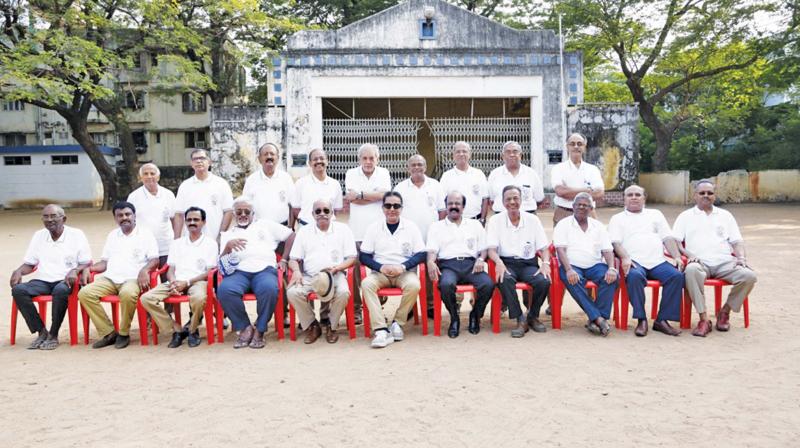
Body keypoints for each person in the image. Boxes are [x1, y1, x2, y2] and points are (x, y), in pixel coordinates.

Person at [672, 179, 757, 337]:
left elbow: (737, 241)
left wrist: (741, 258)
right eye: (702, 193)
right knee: (690, 271)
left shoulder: (725, 215)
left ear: (714, 196)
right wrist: (689, 255)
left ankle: (724, 312)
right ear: (695, 196)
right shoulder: (685, 216)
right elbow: (675, 242)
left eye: (710, 193)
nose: (706, 196)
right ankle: (704, 319)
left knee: (749, 276)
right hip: (700, 263)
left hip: (725, 263)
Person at [78, 201, 159, 349]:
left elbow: (155, 259)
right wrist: (89, 269)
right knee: (84, 293)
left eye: (128, 214)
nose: (124, 218)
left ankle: (123, 333)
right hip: (110, 278)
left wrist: (144, 270)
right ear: (115, 218)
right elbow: (104, 262)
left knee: (128, 294)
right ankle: (109, 332)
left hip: (133, 279)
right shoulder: (112, 235)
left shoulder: (145, 234)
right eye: (120, 215)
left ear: (134, 216)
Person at [216, 197, 295, 349]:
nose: (243, 214)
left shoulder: (265, 225)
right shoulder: (228, 234)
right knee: (225, 290)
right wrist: (227, 247)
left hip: (264, 270)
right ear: (234, 214)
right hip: (238, 273)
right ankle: (245, 327)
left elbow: (291, 235)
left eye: (247, 212)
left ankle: (260, 329)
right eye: (239, 212)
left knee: (270, 289)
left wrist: (284, 259)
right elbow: (221, 263)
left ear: (253, 213)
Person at [10, 204, 92, 350]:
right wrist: (18, 271)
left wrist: (75, 269)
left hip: (66, 281)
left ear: (64, 218)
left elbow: (86, 262)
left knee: (60, 291)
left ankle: (53, 334)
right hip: (43, 280)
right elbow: (30, 263)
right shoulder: (39, 235)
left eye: (53, 216)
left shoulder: (76, 234)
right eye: (46, 217)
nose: (49, 220)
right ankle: (41, 332)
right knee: (19, 290)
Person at [607, 185, 683, 337]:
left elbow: (667, 238)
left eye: (637, 194)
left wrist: (676, 256)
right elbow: (615, 243)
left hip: (657, 262)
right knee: (634, 276)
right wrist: (625, 257)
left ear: (644, 198)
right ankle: (641, 319)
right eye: (630, 195)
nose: (634, 197)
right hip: (634, 262)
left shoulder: (656, 214)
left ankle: (662, 320)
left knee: (677, 276)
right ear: (624, 199)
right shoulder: (617, 219)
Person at [140, 207, 218, 348]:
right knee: (146, 298)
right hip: (176, 281)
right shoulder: (177, 243)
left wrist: (187, 282)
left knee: (199, 298)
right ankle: (177, 329)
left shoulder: (210, 244)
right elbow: (170, 269)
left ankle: (193, 331)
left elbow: (209, 272)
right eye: (189, 220)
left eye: (196, 219)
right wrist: (173, 281)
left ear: (204, 222)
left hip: (198, 281)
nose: (192, 222)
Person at [360, 192, 426, 348]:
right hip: (380, 273)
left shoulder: (411, 227)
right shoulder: (374, 228)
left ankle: (398, 323)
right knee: (367, 284)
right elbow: (363, 256)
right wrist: (380, 267)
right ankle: (381, 329)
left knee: (414, 285)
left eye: (396, 206)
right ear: (382, 208)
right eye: (388, 205)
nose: (392, 209)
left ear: (401, 208)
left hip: (404, 272)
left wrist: (402, 266)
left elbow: (422, 253)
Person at [287, 199, 357, 344]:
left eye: (326, 210)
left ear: (332, 213)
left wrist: (339, 268)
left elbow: (352, 257)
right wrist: (296, 271)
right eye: (318, 211)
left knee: (344, 292)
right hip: (310, 276)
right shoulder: (304, 231)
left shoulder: (344, 230)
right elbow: (293, 258)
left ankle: (332, 325)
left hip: (335, 275)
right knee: (292, 292)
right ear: (313, 214)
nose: (322, 214)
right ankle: (313, 325)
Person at [426, 191, 494, 338]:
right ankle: (454, 317)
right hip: (449, 265)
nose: (454, 206)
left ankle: (475, 315)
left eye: (457, 204)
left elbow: (484, 249)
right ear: (446, 206)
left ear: (463, 207)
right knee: (445, 285)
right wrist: (430, 261)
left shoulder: (475, 225)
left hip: (471, 265)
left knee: (488, 284)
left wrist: (481, 259)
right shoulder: (436, 227)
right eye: (450, 204)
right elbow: (432, 251)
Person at [486, 186, 551, 338]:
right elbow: (491, 250)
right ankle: (520, 318)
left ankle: (532, 316)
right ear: (503, 202)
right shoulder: (495, 220)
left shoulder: (533, 220)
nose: (512, 202)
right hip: (507, 263)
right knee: (505, 279)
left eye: (516, 198)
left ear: (521, 200)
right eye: (508, 199)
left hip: (528, 263)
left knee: (543, 281)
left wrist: (546, 264)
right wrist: (499, 262)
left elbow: (544, 248)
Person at [553, 193, 618, 336]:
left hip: (594, 265)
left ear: (591, 208)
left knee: (612, 277)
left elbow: (607, 250)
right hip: (571, 265)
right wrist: (569, 269)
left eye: (585, 205)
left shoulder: (598, 226)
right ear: (573, 206)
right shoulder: (563, 224)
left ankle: (596, 319)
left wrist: (612, 268)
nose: (581, 207)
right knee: (573, 279)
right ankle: (600, 319)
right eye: (578, 204)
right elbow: (560, 250)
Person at [393, 154, 445, 319]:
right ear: (408, 168)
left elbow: (442, 211)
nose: (417, 167)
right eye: (413, 165)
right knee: (408, 272)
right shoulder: (400, 188)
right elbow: (395, 213)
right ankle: (410, 307)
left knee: (430, 271)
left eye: (420, 164)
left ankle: (430, 305)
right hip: (407, 239)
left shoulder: (435, 185)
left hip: (431, 237)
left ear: (425, 166)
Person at [344, 143, 392, 324]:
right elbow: (351, 198)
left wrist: (361, 195)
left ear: (377, 159)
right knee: (356, 273)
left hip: (379, 233)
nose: (368, 161)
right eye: (364, 158)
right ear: (359, 159)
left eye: (372, 158)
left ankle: (377, 309)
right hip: (356, 232)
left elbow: (385, 196)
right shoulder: (350, 174)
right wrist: (373, 196)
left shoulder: (384, 173)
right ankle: (357, 310)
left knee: (377, 273)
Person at [173, 148, 234, 240]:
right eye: (195, 159)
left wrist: (221, 236)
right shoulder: (185, 186)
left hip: (214, 238)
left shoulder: (221, 184)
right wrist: (176, 240)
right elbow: (179, 214)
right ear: (191, 164)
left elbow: (228, 212)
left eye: (202, 158)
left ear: (209, 162)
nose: (198, 161)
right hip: (190, 240)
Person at [127, 163, 176, 271]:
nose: (149, 176)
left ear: (158, 177)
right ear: (140, 178)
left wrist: (176, 241)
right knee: (144, 281)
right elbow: (129, 221)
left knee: (167, 281)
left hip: (166, 246)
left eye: (152, 173)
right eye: (145, 174)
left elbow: (174, 219)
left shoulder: (168, 195)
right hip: (143, 247)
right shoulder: (133, 197)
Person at [551, 133, 605, 224]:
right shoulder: (558, 168)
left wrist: (569, 192)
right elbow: (560, 191)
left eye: (580, 144)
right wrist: (588, 190)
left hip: (588, 214)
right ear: (567, 147)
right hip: (564, 213)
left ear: (584, 147)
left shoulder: (593, 169)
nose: (576, 146)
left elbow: (599, 193)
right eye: (572, 144)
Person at [242, 142, 296, 227]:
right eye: (265, 154)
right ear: (259, 159)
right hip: (258, 229)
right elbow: (244, 206)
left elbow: (293, 205)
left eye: (272, 154)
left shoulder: (286, 178)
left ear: (277, 158)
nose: (269, 157)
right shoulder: (251, 180)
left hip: (282, 228)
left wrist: (291, 227)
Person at [487, 141, 546, 215]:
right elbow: (491, 199)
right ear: (502, 156)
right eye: (508, 152)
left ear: (521, 155)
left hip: (527, 216)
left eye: (515, 152)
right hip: (501, 217)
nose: (512, 155)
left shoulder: (531, 174)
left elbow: (539, 198)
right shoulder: (494, 174)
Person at [439, 141, 489, 223]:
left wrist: (483, 219)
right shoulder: (446, 176)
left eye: (464, 151)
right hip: (454, 222)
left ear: (469, 154)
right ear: (453, 156)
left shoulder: (479, 174)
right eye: (458, 152)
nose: (461, 154)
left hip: (475, 221)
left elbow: (485, 199)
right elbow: (442, 201)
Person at [292, 148, 344, 226]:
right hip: (306, 227)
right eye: (315, 159)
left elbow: (336, 210)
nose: (319, 161)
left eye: (322, 158)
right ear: (310, 163)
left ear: (327, 161)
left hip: (328, 229)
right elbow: (296, 209)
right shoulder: (301, 183)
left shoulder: (335, 184)